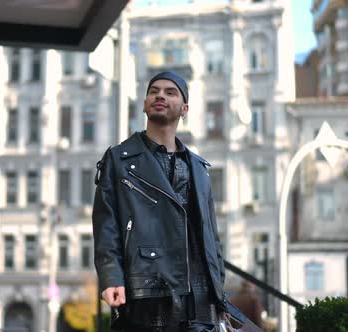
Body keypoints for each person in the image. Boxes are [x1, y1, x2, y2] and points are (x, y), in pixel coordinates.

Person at [92, 72, 245, 331]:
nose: (160, 95)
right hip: (147, 294)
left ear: (184, 109)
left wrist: (219, 294)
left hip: (200, 300)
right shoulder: (119, 160)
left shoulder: (199, 167)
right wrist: (111, 277)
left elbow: (211, 238)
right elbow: (106, 227)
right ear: (144, 104)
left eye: (170, 92)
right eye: (154, 91)